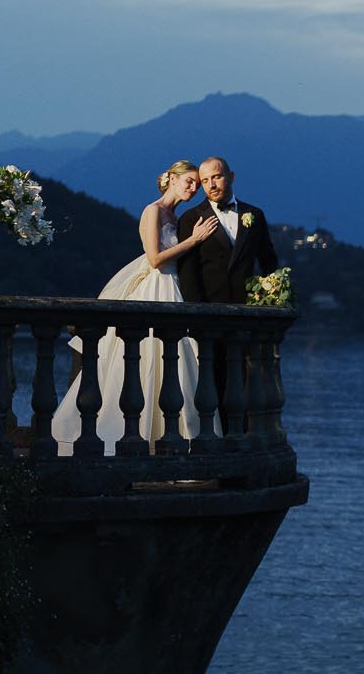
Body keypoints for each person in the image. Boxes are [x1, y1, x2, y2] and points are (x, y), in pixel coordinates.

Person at [50, 161, 220, 455]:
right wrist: (194, 239)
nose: (194, 188)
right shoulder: (153, 210)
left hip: (174, 288)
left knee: (177, 363)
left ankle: (172, 438)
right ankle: (136, 436)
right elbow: (155, 258)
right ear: (172, 179)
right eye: (189, 182)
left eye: (197, 184)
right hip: (157, 289)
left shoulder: (176, 216)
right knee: (148, 360)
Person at [174, 155, 280, 413]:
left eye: (217, 177)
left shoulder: (254, 215)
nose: (211, 184)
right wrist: (198, 316)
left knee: (246, 384)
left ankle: (238, 433)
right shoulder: (190, 218)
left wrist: (271, 298)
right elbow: (188, 273)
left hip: (246, 317)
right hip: (209, 316)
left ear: (231, 177)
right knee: (211, 384)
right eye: (205, 180)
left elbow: (268, 261)